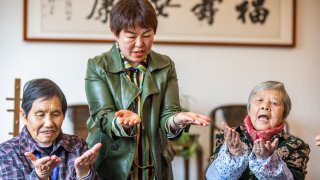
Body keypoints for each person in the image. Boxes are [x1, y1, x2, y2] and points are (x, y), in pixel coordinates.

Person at [85, 0, 211, 179]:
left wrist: (177, 119)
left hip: (154, 165)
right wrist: (119, 122)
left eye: (147, 35)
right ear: (115, 32)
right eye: (130, 36)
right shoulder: (98, 66)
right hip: (113, 166)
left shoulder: (165, 66)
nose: (139, 44)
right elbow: (102, 115)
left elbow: (168, 113)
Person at [206, 81, 310, 180]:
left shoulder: (297, 145)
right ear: (249, 109)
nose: (265, 106)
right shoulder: (229, 137)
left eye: (274, 103)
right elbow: (213, 178)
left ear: (284, 114)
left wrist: (268, 161)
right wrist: (233, 154)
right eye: (260, 100)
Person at [0, 78, 102, 179]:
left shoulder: (78, 146)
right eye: (40, 114)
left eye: (56, 114)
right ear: (24, 116)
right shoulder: (6, 152)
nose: (49, 123)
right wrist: (40, 177)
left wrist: (83, 174)